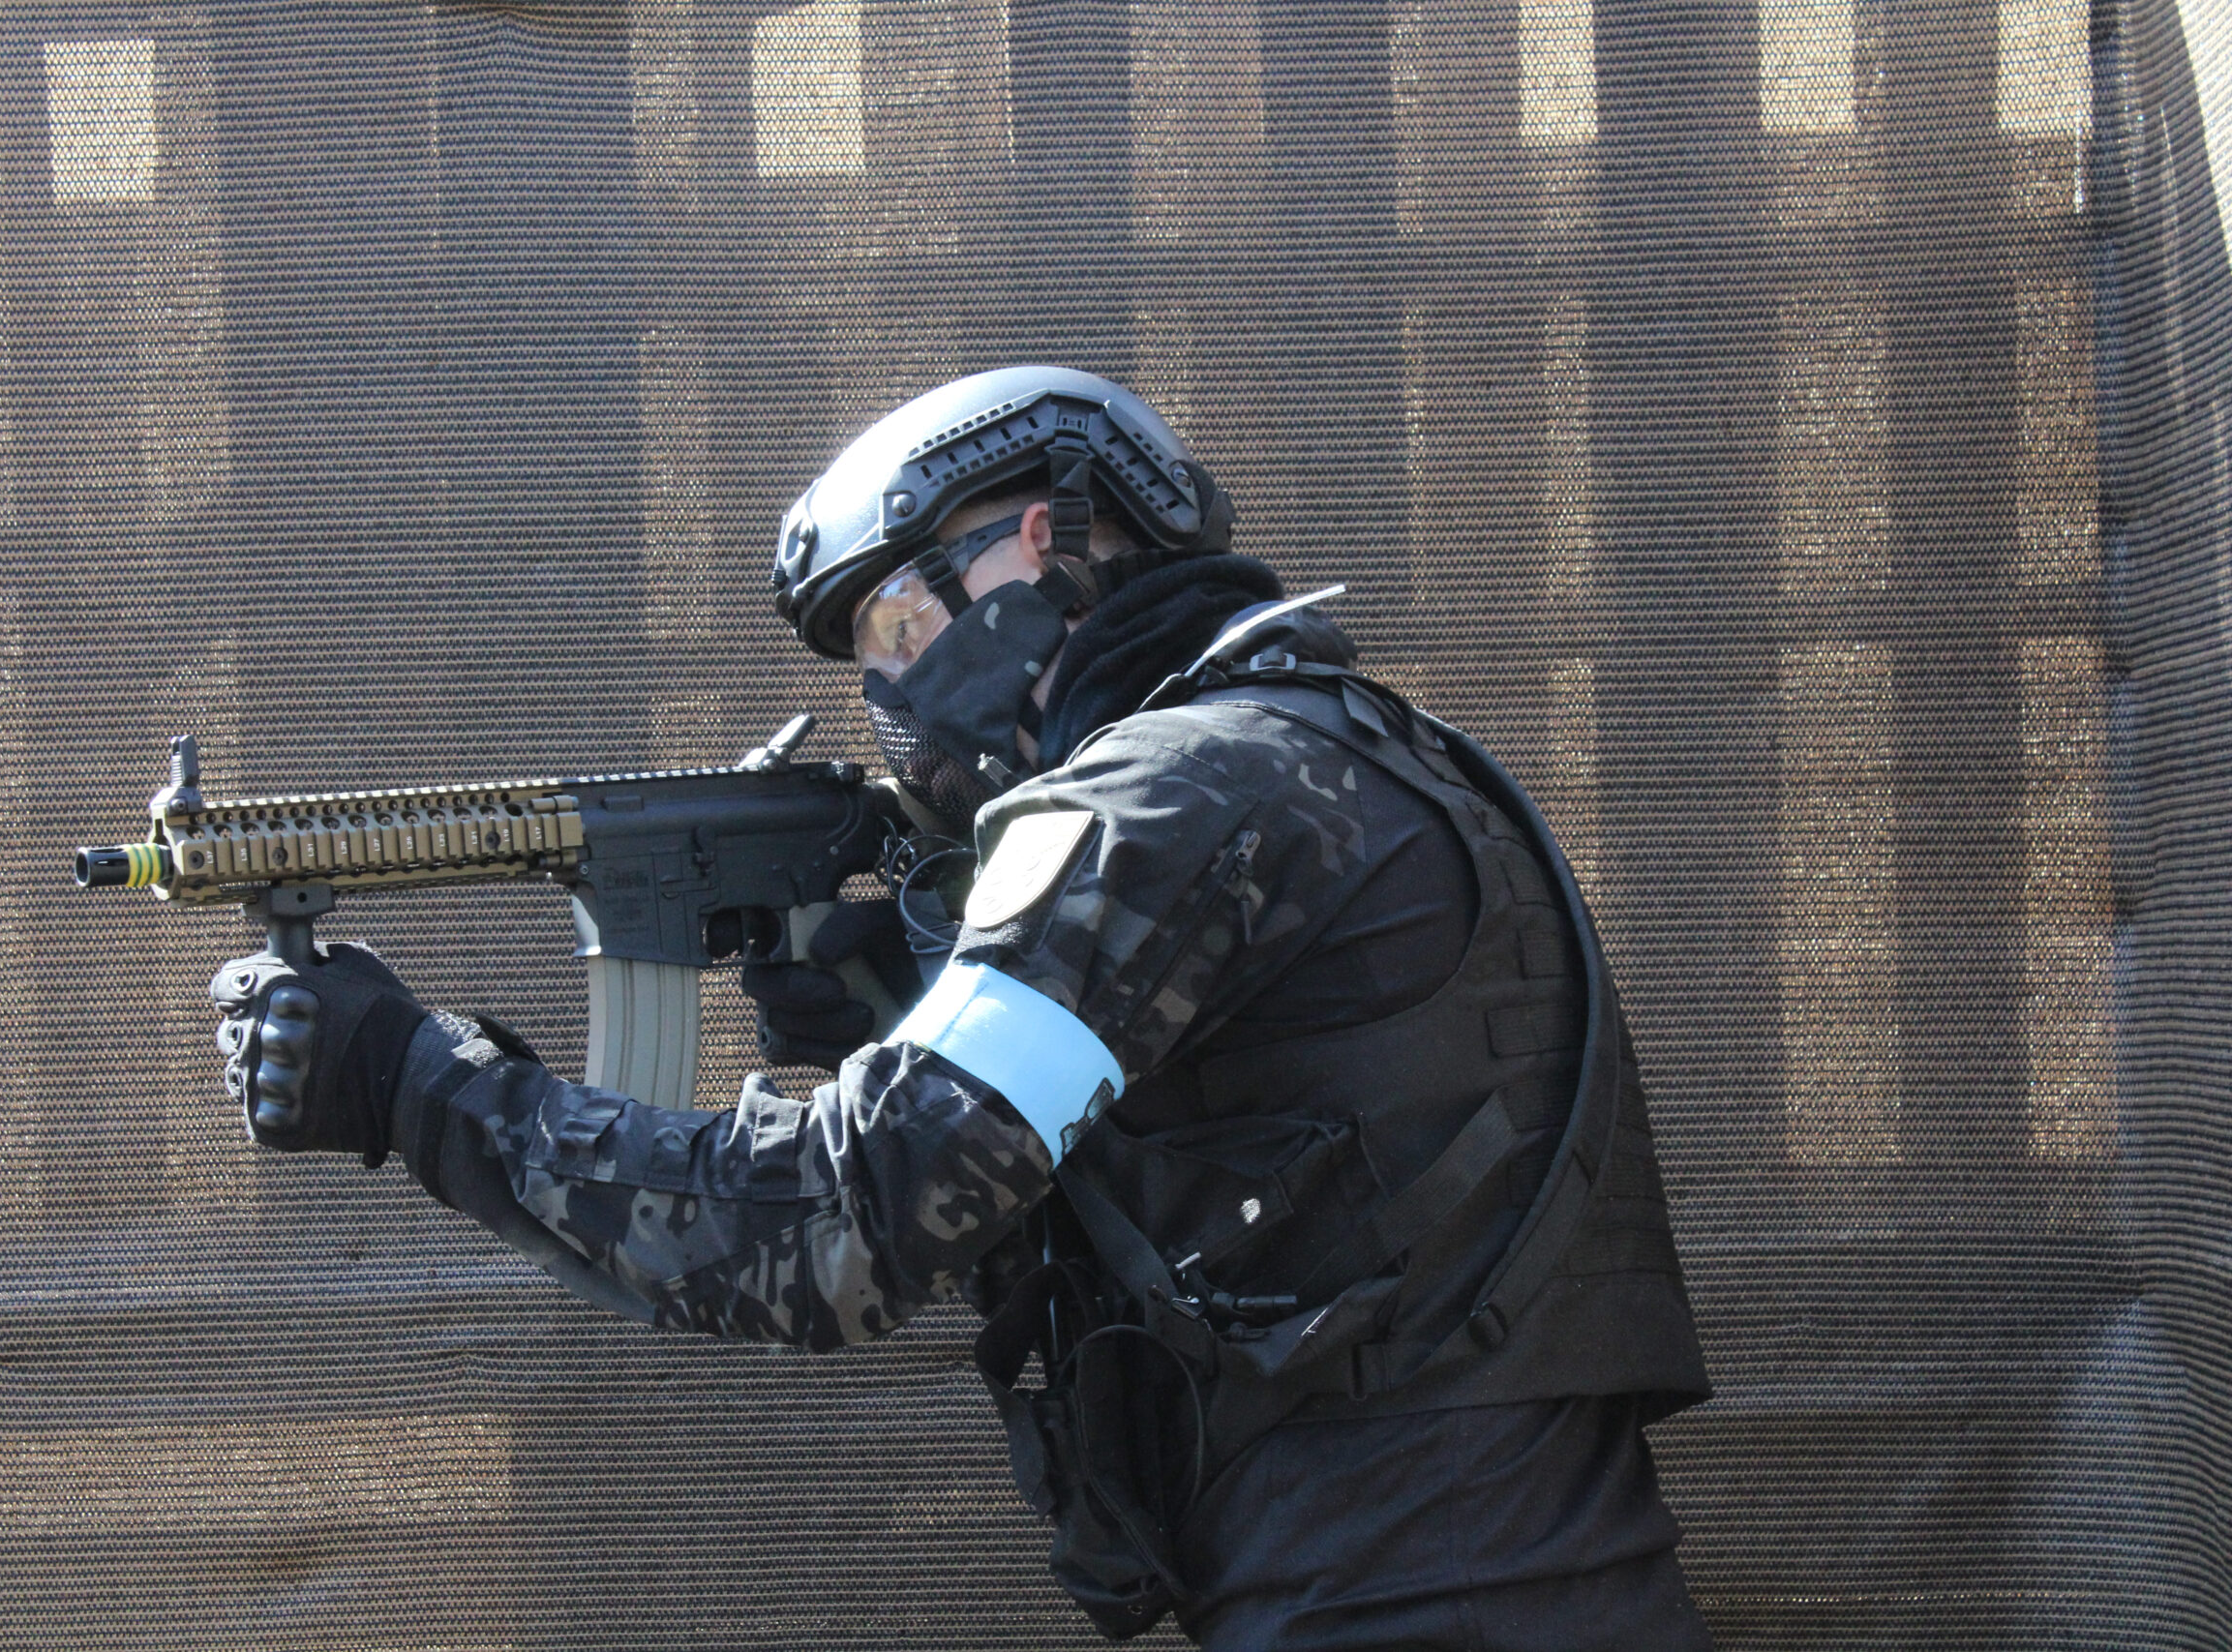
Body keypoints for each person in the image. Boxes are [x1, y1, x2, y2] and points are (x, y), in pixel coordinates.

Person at [207, 367, 1715, 1648]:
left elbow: (836, 1232)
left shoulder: (1157, 799)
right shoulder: (1371, 752)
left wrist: (417, 1083)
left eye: (896, 632)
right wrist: (903, 1000)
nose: (890, 702)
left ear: (1034, 545)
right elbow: (1272, 1152)